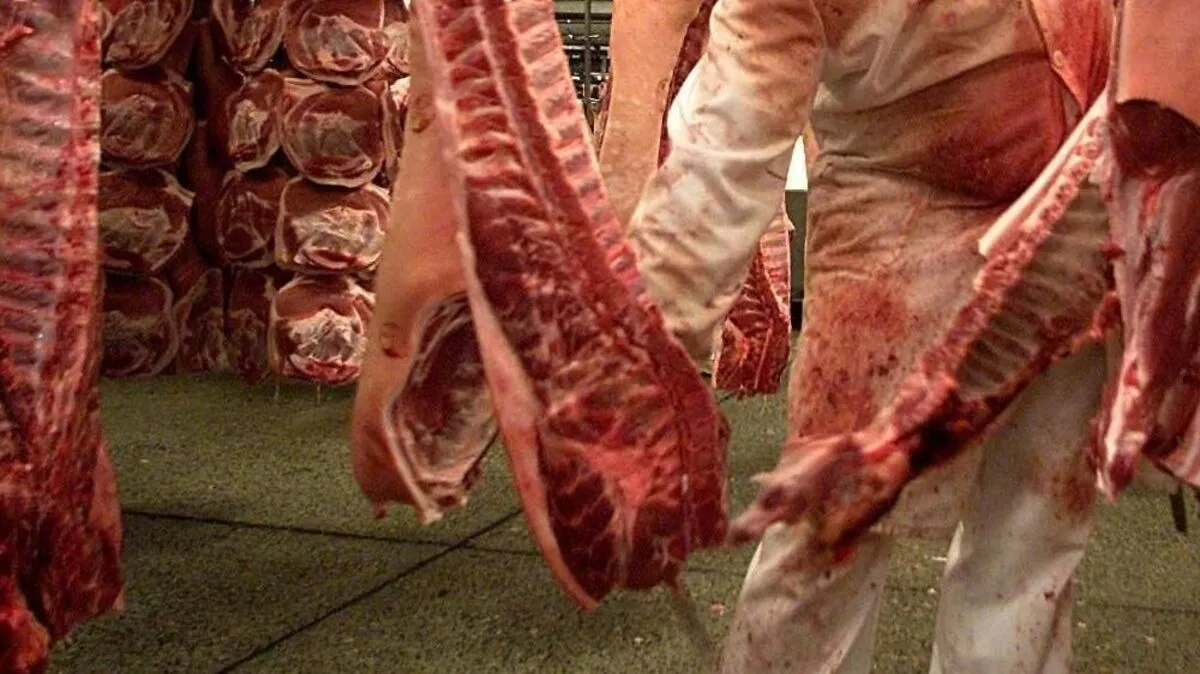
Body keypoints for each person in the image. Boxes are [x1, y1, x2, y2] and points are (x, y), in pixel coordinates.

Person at [626, 1, 1114, 672]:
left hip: (1077, 209)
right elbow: (728, 138)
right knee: (828, 522)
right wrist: (654, 359)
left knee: (1035, 523)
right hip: (893, 219)